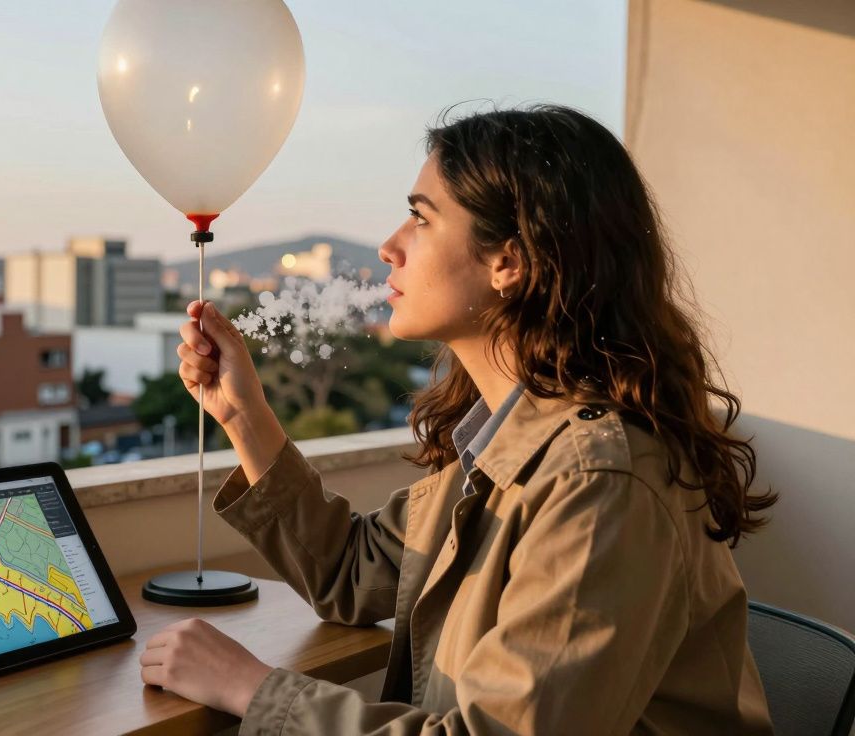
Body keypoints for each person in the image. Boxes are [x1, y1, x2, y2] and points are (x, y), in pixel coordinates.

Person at [137, 105, 776, 734]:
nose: (389, 247)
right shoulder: (503, 438)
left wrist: (251, 689)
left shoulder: (599, 481)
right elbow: (351, 574)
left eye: (420, 217)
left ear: (510, 261)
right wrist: (244, 414)